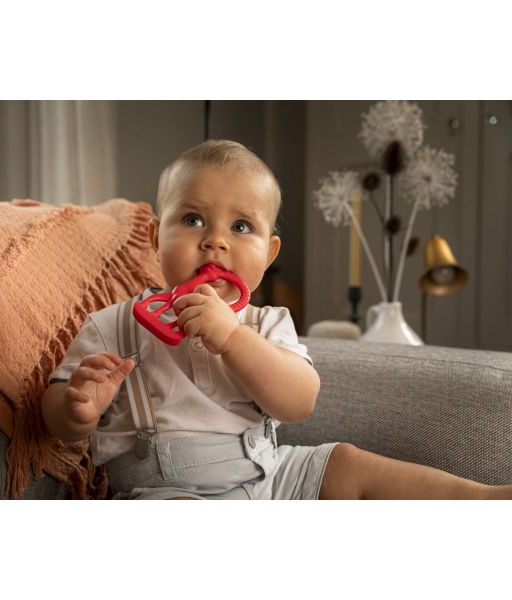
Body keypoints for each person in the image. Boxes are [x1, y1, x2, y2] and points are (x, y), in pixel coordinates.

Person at [41, 139, 512, 500]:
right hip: (166, 491)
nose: (215, 241)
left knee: (347, 463)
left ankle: (482, 500)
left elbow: (298, 402)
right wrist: (75, 409)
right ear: (154, 237)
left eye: (240, 226)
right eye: (192, 219)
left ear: (268, 255)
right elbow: (55, 412)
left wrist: (232, 337)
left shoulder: (266, 322)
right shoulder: (113, 324)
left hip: (271, 476)